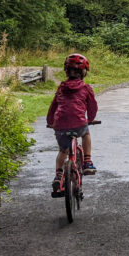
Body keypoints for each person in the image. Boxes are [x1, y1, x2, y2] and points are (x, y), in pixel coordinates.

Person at [47, 53, 98, 195]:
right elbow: (92, 107)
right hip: (79, 124)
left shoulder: (61, 88)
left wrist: (50, 122)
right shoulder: (86, 88)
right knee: (86, 133)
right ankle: (87, 161)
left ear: (66, 71)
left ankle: (58, 176)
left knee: (63, 151)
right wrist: (90, 119)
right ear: (84, 72)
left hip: (60, 126)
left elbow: (53, 107)